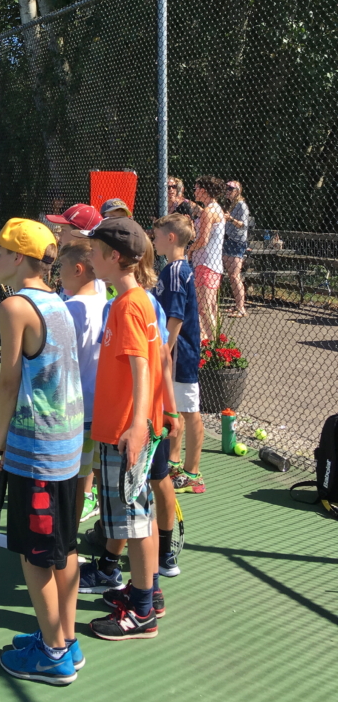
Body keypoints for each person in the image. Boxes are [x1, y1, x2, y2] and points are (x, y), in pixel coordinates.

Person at [0, 218, 84, 685]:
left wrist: (0, 436)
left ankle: (53, 654)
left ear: (18, 258)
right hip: (66, 445)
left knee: (36, 554)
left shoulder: (15, 306)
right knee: (63, 547)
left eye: (0, 250)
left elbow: (9, 380)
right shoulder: (57, 301)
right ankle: (64, 637)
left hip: (37, 448)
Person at [81, 217, 170, 641]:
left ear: (114, 257)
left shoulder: (127, 305)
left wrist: (136, 426)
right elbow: (154, 361)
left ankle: (141, 614)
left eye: (95, 253)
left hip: (125, 430)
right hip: (132, 425)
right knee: (141, 515)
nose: (89, 260)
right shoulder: (137, 301)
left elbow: (141, 367)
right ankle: (146, 594)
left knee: (132, 522)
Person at [57, 239, 107, 527]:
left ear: (77, 270)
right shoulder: (106, 303)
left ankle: (67, 538)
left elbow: (61, 362)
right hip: (101, 408)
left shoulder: (70, 309)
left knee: (75, 478)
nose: (58, 274)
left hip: (76, 410)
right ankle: (106, 534)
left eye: (61, 267)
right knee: (99, 475)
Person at [153, 212, 204, 494]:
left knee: (190, 411)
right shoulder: (175, 269)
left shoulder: (175, 271)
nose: (154, 240)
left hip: (180, 354)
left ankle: (192, 472)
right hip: (178, 352)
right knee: (176, 409)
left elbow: (175, 318)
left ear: (171, 238)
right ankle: (174, 462)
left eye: (157, 236)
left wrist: (164, 352)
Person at [190, 176, 226, 342]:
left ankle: (214, 344)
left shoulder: (208, 211)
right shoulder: (215, 208)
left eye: (196, 188)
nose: (194, 191)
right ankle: (209, 339)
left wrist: (190, 250)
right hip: (210, 263)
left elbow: (203, 240)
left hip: (206, 263)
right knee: (210, 306)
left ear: (203, 190)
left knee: (204, 308)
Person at [223, 181, 250, 317]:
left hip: (236, 242)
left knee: (235, 275)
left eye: (231, 189)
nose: (227, 191)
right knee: (231, 276)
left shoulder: (241, 205)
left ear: (238, 191)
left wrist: (230, 219)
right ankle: (237, 305)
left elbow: (243, 225)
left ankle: (241, 308)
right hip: (228, 241)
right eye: (226, 188)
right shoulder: (231, 204)